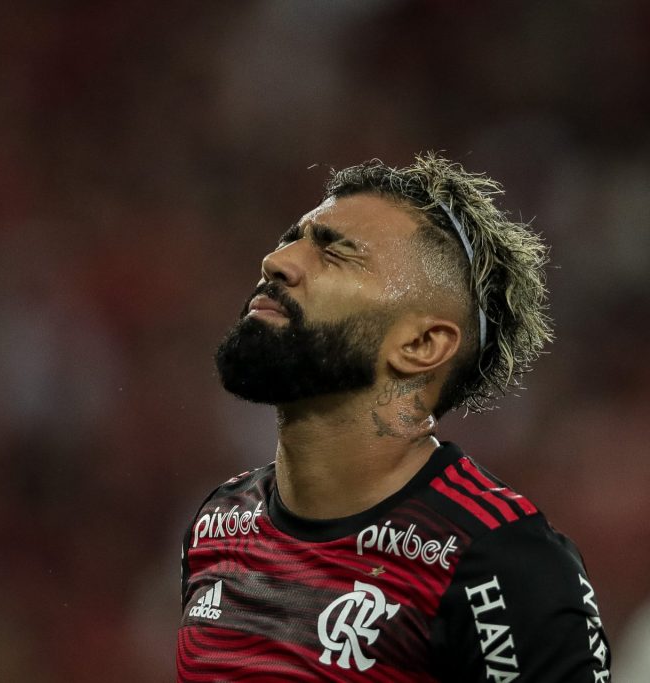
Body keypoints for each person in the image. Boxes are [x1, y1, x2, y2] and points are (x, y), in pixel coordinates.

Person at [176, 154, 611, 682]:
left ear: (421, 344)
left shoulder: (500, 563)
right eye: (294, 237)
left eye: (335, 253)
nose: (277, 260)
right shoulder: (219, 522)